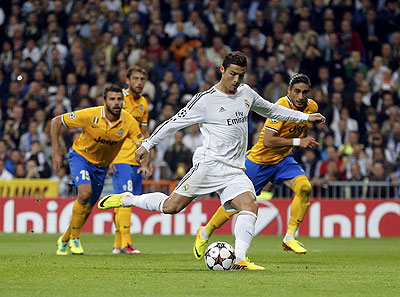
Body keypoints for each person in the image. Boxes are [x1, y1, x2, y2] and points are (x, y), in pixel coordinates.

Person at [98, 52, 325, 270]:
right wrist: (147, 145)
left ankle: (241, 259)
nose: (236, 80)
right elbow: (173, 123)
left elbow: (273, 110)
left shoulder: (246, 93)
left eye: (241, 75)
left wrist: (306, 117)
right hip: (208, 166)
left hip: (235, 169)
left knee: (250, 205)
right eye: (232, 74)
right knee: (171, 207)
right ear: (222, 70)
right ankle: (128, 199)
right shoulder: (205, 101)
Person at [192, 73, 319, 259]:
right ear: (289, 91)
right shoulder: (281, 107)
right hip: (259, 161)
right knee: (235, 204)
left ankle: (289, 237)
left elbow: (298, 131)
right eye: (297, 92)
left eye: (305, 92)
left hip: (283, 160)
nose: (301, 96)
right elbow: (267, 140)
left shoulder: (311, 107)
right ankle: (205, 231)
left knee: (305, 188)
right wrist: (299, 143)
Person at [51, 85, 149, 256]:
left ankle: (65, 239)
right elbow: (56, 121)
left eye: (119, 99)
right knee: (84, 193)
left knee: (88, 207)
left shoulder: (128, 122)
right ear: (104, 102)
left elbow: (142, 144)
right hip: (80, 157)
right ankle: (75, 238)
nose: (116, 103)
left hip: (101, 167)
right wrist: (56, 152)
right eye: (112, 99)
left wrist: (145, 161)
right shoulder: (91, 115)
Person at [109, 66, 153, 255]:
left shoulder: (143, 103)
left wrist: (147, 161)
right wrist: (108, 158)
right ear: (127, 80)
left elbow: (144, 134)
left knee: (125, 201)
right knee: (126, 198)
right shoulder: (119, 100)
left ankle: (118, 245)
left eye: (142, 79)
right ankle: (126, 244)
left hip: (136, 159)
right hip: (120, 157)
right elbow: (108, 128)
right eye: (135, 78)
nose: (139, 82)